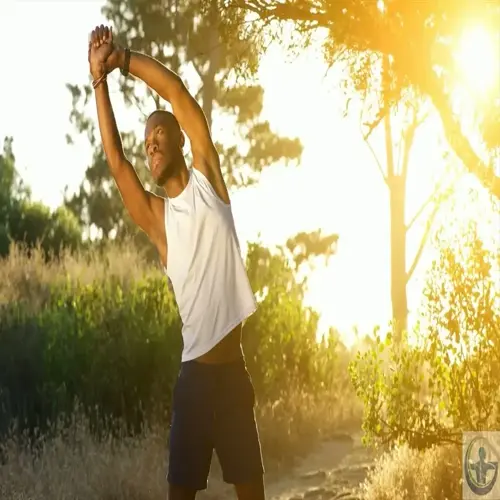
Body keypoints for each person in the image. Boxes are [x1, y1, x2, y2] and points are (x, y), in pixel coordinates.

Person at [88, 25, 265, 500]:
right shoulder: (157, 219)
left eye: (159, 132)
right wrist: (98, 81)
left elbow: (175, 91)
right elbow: (115, 160)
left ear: (182, 141)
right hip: (193, 384)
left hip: (234, 378)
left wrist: (121, 59)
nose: (151, 143)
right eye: (146, 140)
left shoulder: (210, 180)